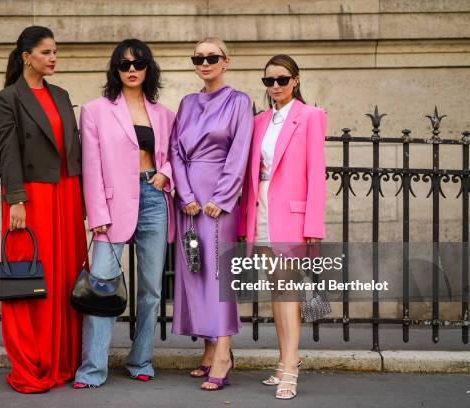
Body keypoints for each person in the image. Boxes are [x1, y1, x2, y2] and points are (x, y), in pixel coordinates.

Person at [73, 38, 175, 388]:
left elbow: (174, 156)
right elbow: (91, 165)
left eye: (139, 62)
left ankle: (140, 359)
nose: (132, 69)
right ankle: (92, 369)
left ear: (149, 68)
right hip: (112, 206)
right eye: (124, 64)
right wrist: (96, 213)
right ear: (115, 69)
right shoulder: (95, 110)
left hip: (153, 198)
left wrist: (167, 173)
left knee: (151, 289)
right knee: (101, 286)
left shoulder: (164, 114)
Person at [0, 25, 86, 393]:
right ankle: (33, 359)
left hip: (66, 193)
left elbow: (73, 150)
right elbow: (8, 152)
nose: (53, 58)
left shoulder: (61, 95)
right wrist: (15, 199)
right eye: (46, 52)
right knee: (32, 274)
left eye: (55, 52)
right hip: (32, 197)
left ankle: (63, 358)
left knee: (65, 275)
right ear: (26, 56)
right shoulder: (7, 98)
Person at [238, 54, 327, 400]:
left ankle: (291, 367)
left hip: (292, 216)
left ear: (296, 79)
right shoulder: (260, 121)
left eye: (282, 80)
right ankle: (283, 360)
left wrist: (313, 224)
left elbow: (315, 174)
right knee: (277, 292)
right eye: (269, 81)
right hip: (261, 214)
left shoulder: (310, 116)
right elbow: (252, 174)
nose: (275, 86)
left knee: (288, 291)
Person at [170, 37, 253, 391]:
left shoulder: (239, 101)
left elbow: (240, 152)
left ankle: (223, 354)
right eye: (198, 58)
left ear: (226, 61)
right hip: (189, 201)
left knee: (219, 275)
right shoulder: (187, 103)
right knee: (195, 270)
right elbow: (174, 149)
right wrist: (185, 194)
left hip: (219, 202)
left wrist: (221, 197)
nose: (205, 63)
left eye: (212, 57)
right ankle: (207, 350)